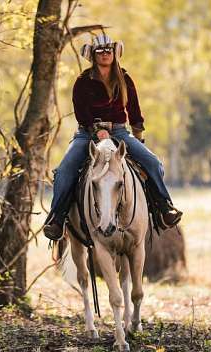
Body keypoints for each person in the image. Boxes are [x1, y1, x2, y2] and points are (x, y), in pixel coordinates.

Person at [43, 34, 182, 240]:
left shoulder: (124, 79)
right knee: (64, 171)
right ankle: (57, 219)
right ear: (93, 55)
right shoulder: (83, 81)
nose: (105, 54)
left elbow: (134, 110)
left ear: (115, 53)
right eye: (100, 51)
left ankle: (163, 208)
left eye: (108, 50)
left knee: (153, 163)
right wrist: (96, 129)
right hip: (87, 134)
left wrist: (138, 136)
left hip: (119, 131)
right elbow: (81, 111)